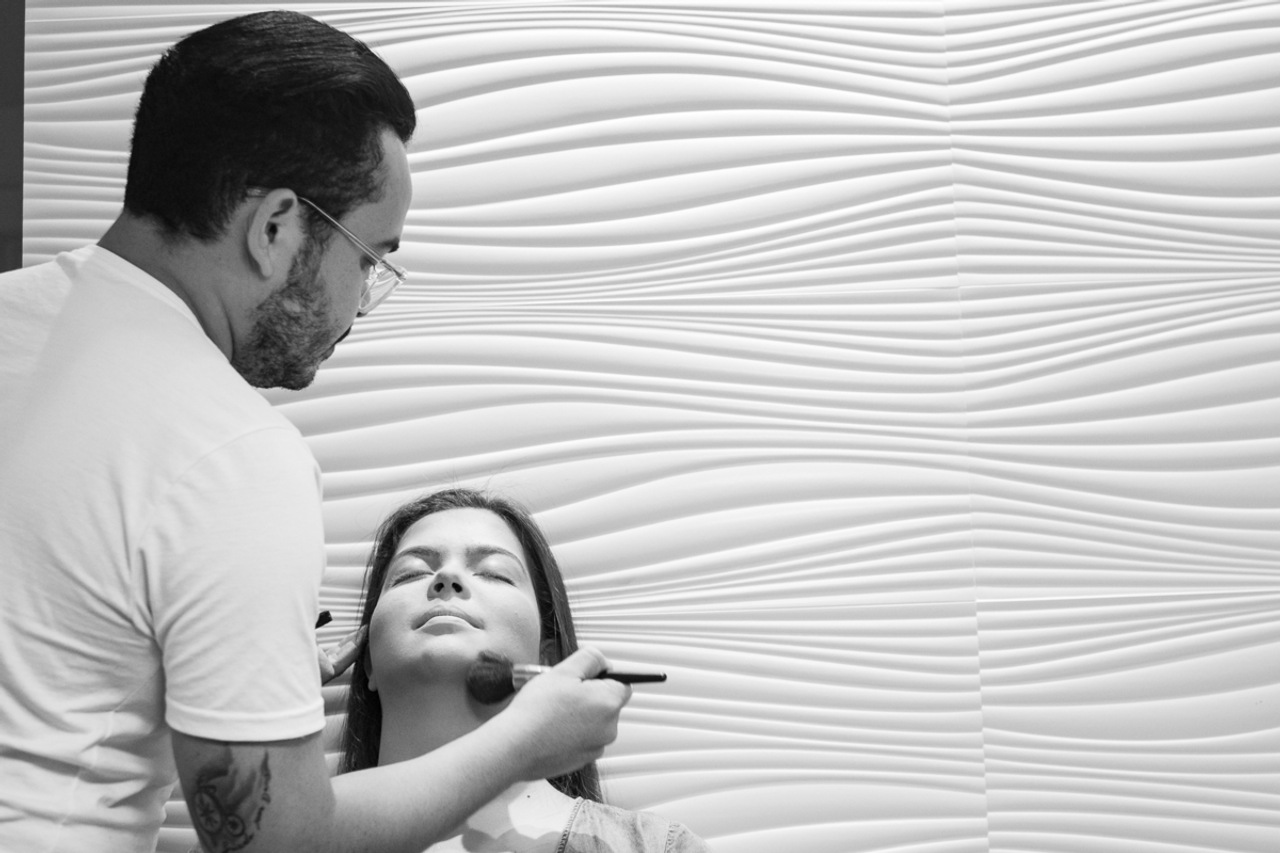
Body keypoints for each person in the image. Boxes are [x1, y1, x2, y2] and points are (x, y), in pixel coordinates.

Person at [0, 11, 629, 853]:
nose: (359, 303)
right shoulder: (230, 453)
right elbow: (278, 842)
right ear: (276, 228)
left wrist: (234, 673)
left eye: (494, 571)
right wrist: (524, 741)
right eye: (368, 259)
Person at [341, 487, 709, 852]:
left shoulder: (656, 847)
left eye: (495, 573)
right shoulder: (305, 836)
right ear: (367, 660)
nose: (447, 577)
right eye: (410, 573)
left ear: (547, 662)